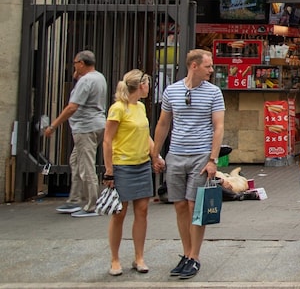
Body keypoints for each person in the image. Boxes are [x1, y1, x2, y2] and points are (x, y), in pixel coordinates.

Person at [151, 48, 225, 280]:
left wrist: (213, 159)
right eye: (208, 66)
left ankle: (194, 255)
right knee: (180, 205)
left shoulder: (214, 93)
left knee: (195, 206)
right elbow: (164, 123)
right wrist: (155, 153)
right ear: (194, 66)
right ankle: (186, 252)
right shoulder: (172, 91)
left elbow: (219, 126)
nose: (211, 71)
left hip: (200, 156)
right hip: (176, 154)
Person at [102, 69, 155, 276]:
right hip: (122, 165)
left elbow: (145, 134)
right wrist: (109, 170)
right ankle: (115, 259)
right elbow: (107, 140)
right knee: (119, 213)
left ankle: (139, 257)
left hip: (141, 164)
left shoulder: (140, 107)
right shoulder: (118, 109)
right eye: (147, 83)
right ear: (140, 85)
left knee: (142, 211)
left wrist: (155, 155)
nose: (149, 87)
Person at [44, 50, 108, 217]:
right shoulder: (98, 77)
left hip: (85, 127)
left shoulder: (86, 81)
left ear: (81, 63)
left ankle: (91, 204)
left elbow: (72, 106)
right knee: (76, 161)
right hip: (97, 124)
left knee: (86, 165)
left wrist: (53, 125)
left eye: (75, 63)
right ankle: (74, 199)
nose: (73, 66)